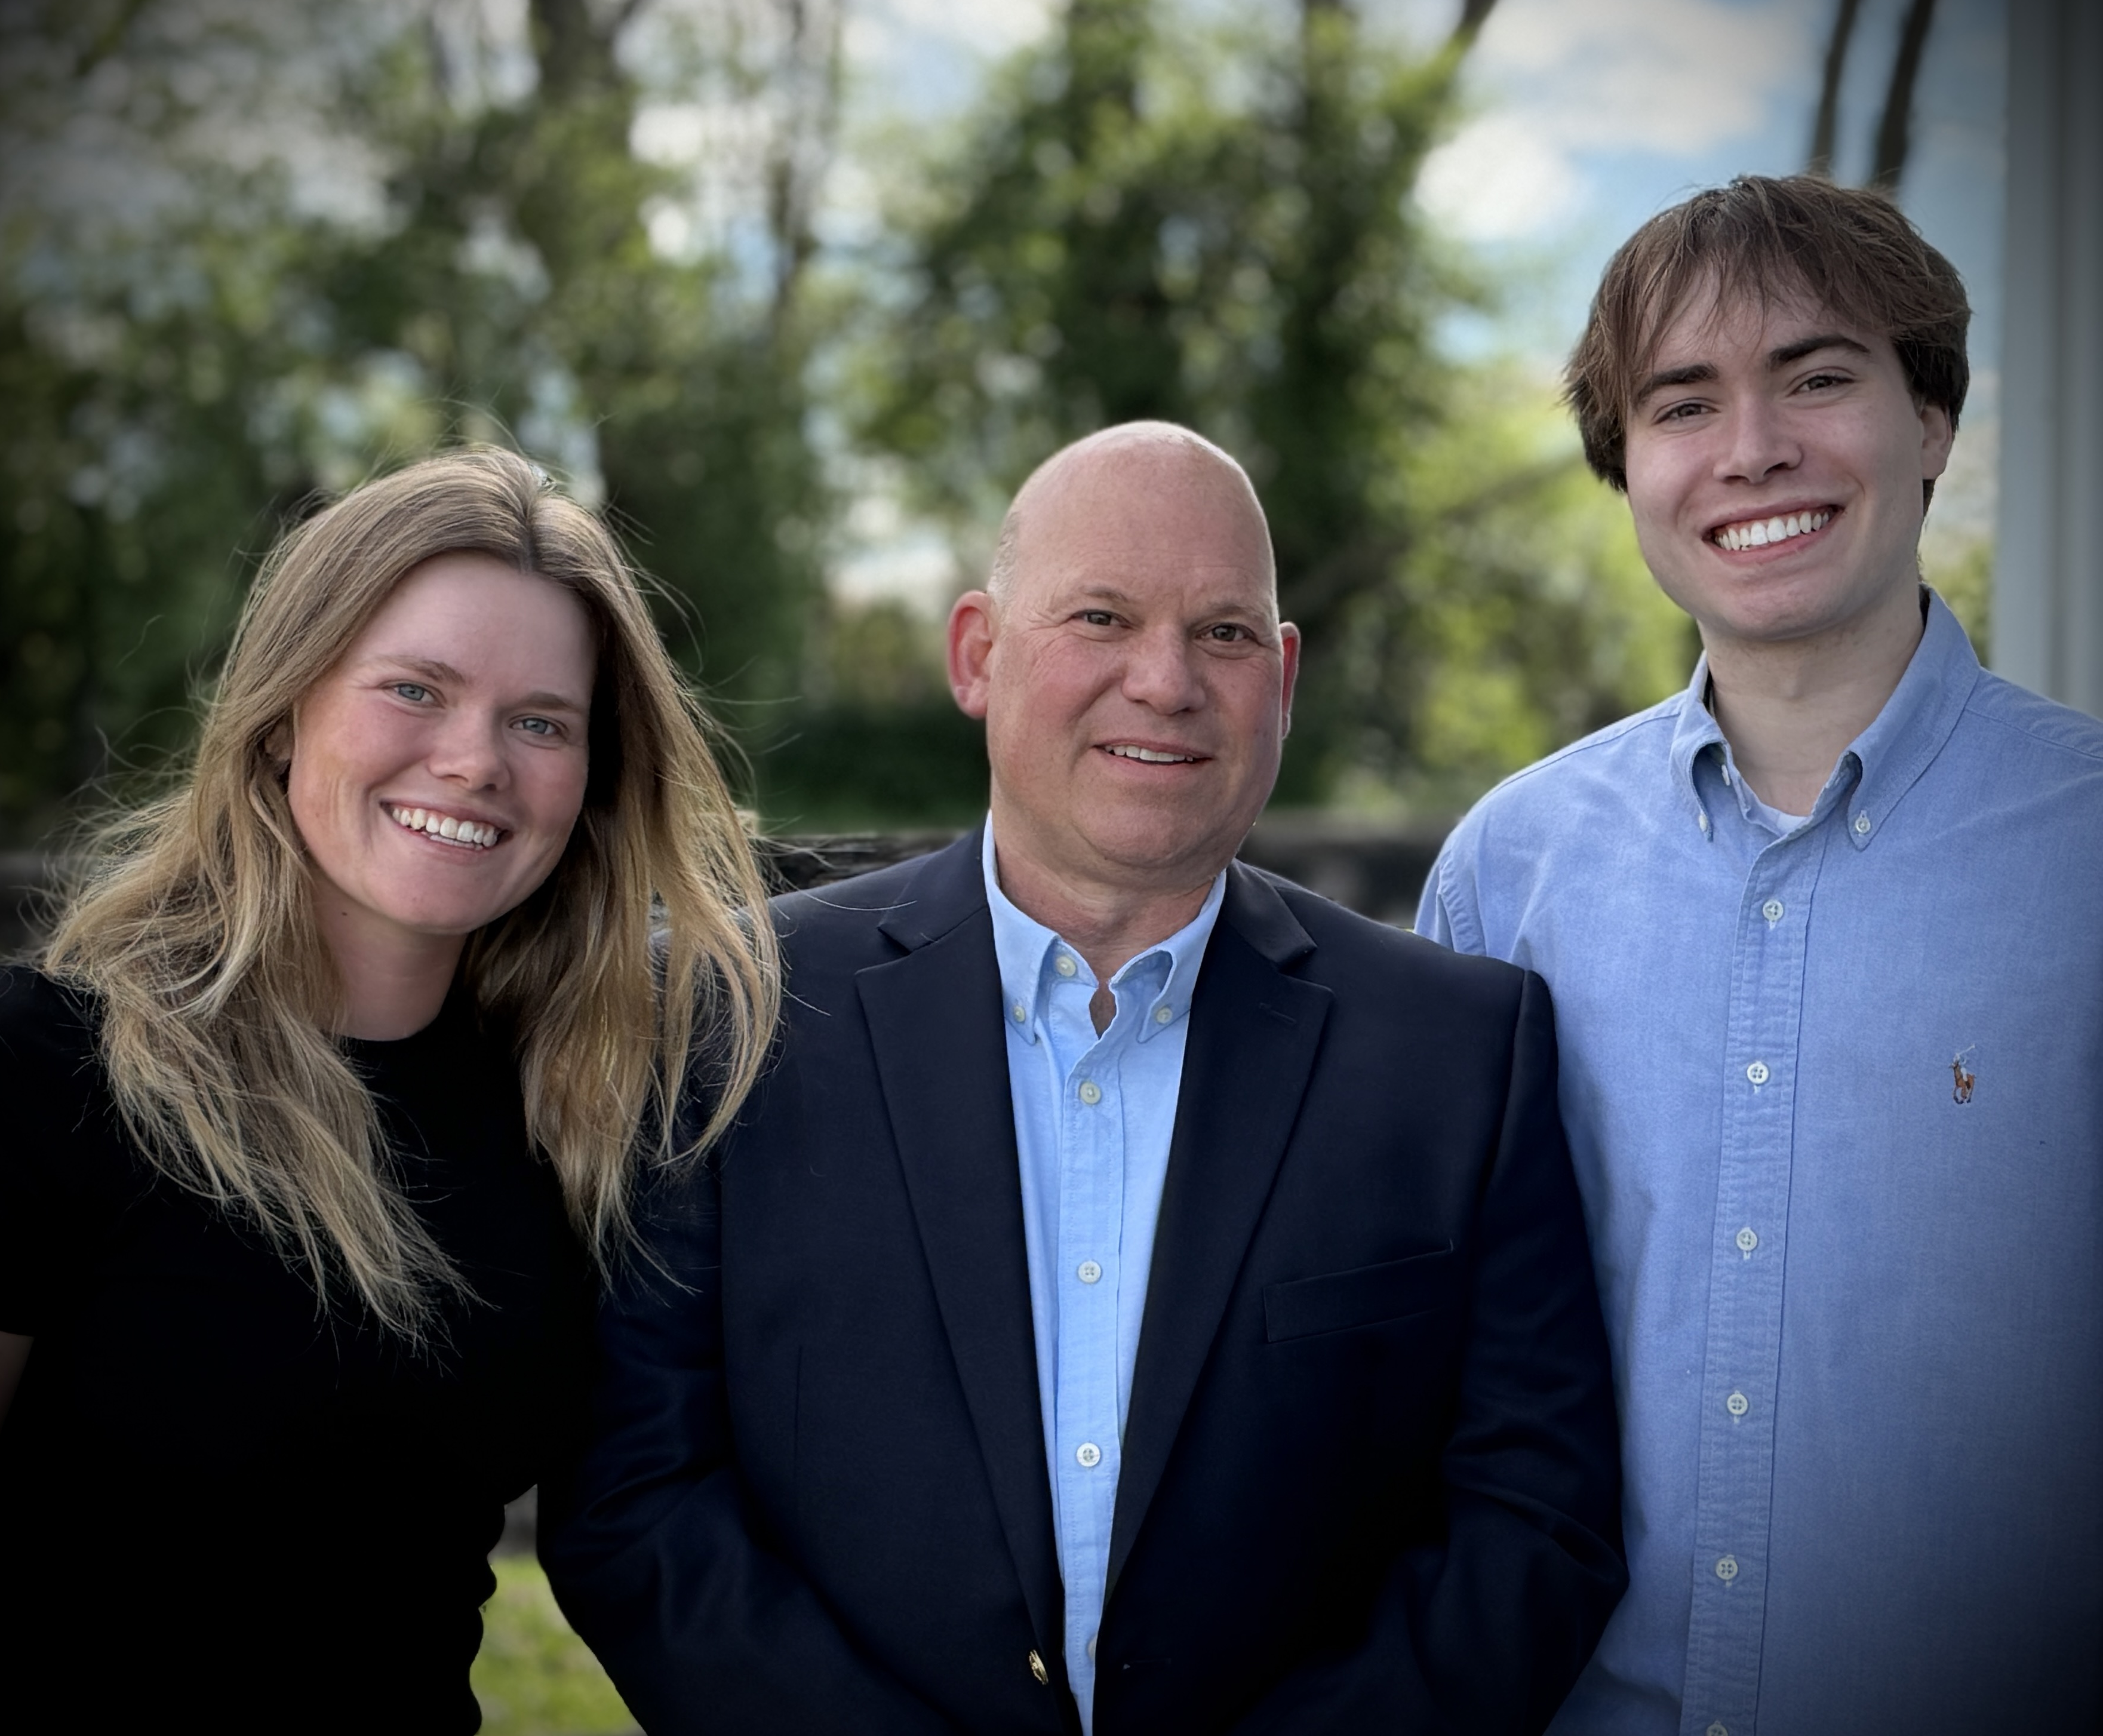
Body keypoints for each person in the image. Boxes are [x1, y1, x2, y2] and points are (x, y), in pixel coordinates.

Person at [545, 422, 1625, 1735]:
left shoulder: (1458, 1052)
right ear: (974, 655)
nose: (1163, 680)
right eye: (1100, 616)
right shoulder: (728, 1012)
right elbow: (635, 1494)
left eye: (1223, 633)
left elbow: (1532, 1519)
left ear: (1280, 679)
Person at [1417, 175, 2103, 1735]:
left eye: (1815, 376)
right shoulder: (1503, 876)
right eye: (1681, 402)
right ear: (1626, 467)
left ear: (1928, 421)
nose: (1750, 451)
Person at [0, 447, 779, 1733]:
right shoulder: (53, 1073)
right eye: (415, 690)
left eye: (541, 720)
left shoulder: (568, 1115)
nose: (475, 761)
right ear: (285, 703)